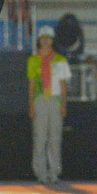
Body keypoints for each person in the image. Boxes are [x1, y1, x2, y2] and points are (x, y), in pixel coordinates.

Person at [27, 25, 71, 184]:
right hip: (40, 100)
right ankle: (41, 173)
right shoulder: (33, 60)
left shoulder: (60, 60)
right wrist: (31, 105)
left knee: (54, 138)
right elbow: (32, 84)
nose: (46, 41)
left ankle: (54, 173)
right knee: (40, 137)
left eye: (48, 38)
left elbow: (63, 84)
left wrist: (64, 105)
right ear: (40, 40)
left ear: (52, 41)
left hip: (55, 100)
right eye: (43, 38)